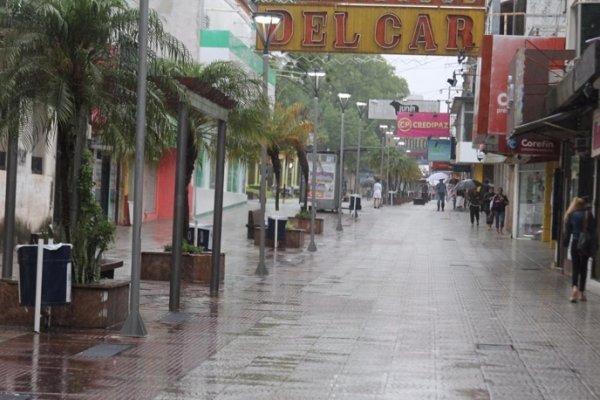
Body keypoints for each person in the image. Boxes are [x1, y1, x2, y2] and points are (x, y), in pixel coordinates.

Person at [563, 197, 597, 302]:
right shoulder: (589, 215)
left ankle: (574, 289)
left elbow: (567, 233)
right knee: (583, 268)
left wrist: (565, 243)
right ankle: (582, 293)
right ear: (583, 205)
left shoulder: (571, 215)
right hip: (585, 245)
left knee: (575, 267)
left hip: (575, 244)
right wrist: (595, 245)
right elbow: (594, 231)